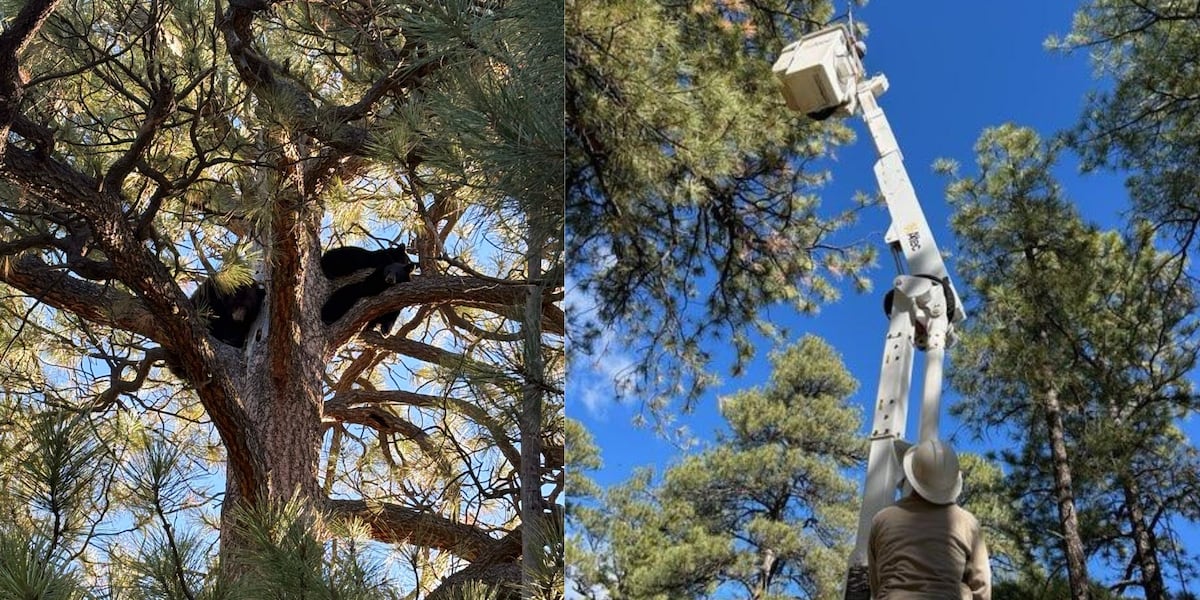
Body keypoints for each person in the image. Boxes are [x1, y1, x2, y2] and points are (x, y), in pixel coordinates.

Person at [868, 439, 991, 600]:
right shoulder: (968, 524)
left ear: (911, 477)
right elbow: (982, 587)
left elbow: (876, 582)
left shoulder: (882, 520)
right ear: (953, 482)